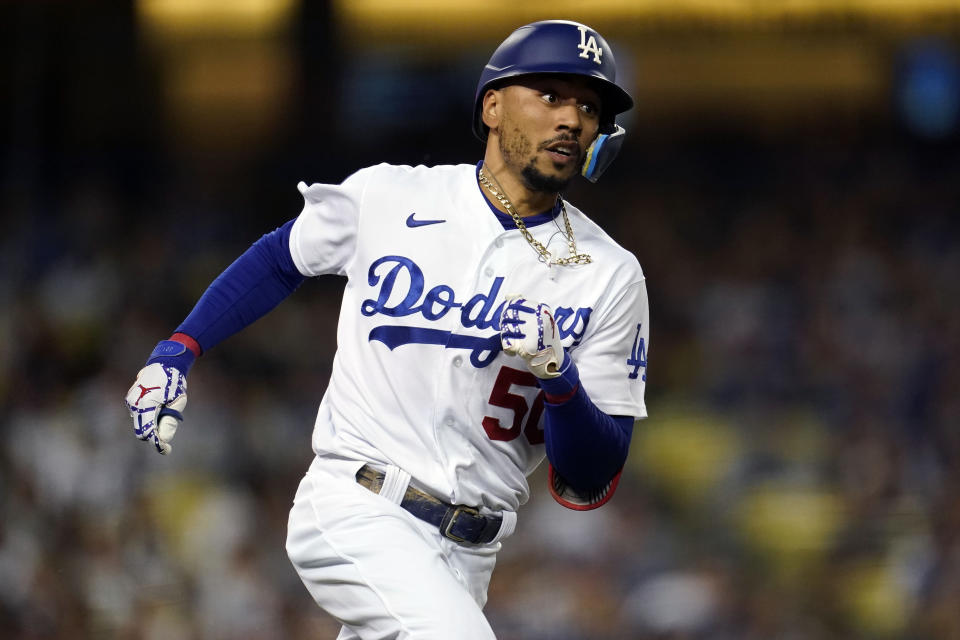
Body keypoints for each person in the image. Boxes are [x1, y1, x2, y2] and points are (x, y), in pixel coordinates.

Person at [125, 19, 648, 639]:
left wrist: (560, 380)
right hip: (360, 505)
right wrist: (180, 346)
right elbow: (278, 258)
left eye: (589, 107)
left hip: (471, 552)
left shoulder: (611, 275)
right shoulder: (391, 196)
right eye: (551, 96)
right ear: (492, 105)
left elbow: (592, 474)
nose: (570, 119)